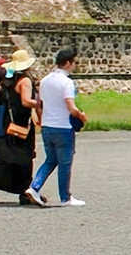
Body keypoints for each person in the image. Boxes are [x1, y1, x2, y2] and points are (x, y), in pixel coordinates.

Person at [0, 49, 42, 205]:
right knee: (25, 159)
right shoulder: (25, 81)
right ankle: (24, 191)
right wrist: (41, 102)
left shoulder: (8, 80)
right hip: (21, 124)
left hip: (8, 123)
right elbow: (26, 101)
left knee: (5, 157)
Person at [27, 47, 88, 207]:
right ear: (67, 63)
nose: (74, 65)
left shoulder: (45, 80)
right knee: (65, 163)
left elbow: (39, 104)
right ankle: (65, 197)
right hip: (63, 126)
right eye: (73, 62)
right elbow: (70, 106)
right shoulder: (66, 82)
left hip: (47, 125)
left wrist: (41, 121)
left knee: (50, 159)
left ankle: (34, 187)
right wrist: (81, 115)